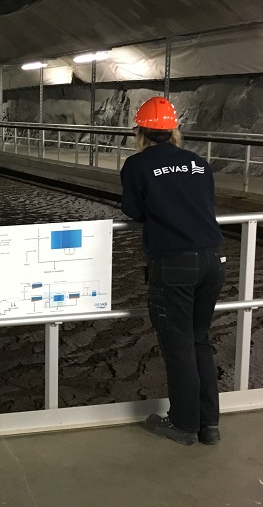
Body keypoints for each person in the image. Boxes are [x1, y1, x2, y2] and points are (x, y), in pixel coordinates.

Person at [120, 96, 226, 446]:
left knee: (178, 346)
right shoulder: (198, 163)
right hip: (212, 261)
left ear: (140, 132)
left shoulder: (137, 165)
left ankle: (183, 425)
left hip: (174, 264)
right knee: (199, 341)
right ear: (173, 130)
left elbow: (134, 211)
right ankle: (209, 424)